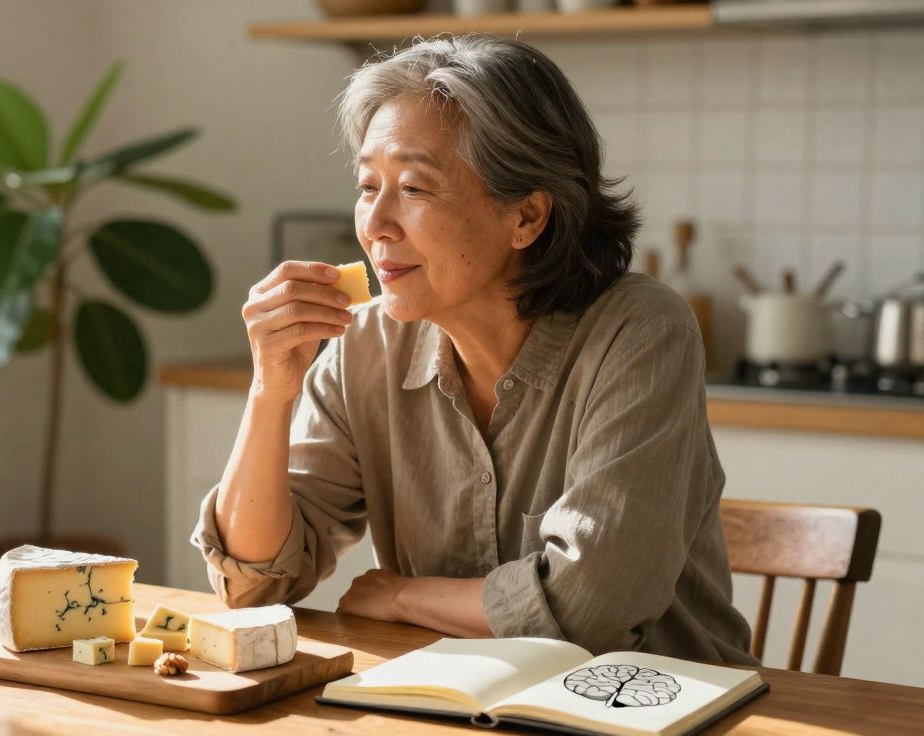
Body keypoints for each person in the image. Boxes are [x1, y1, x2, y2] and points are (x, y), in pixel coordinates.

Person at [191, 34, 757, 664]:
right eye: (367, 185)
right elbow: (254, 582)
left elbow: (592, 607)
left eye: (413, 189)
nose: (375, 225)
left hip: (655, 712)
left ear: (526, 218)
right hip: (446, 706)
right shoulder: (365, 344)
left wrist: (405, 597)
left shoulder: (641, 331)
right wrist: (271, 390)